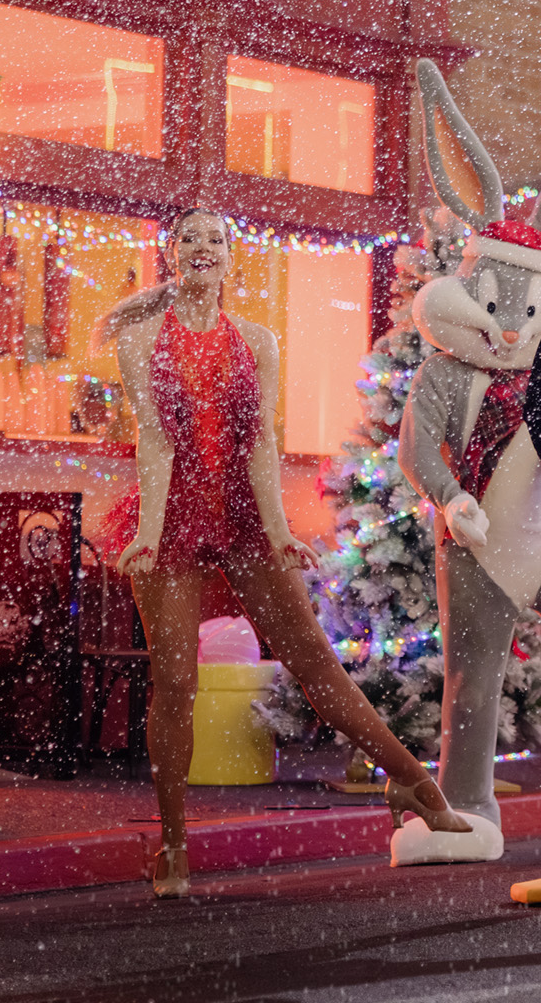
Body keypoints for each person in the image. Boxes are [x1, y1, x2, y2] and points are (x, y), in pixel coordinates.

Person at [102, 208, 469, 898]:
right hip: (174, 516)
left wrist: (276, 529)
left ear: (231, 258)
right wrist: (149, 534)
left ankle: (417, 787)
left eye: (216, 238)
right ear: (170, 252)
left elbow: (261, 442)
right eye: (190, 237)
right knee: (176, 683)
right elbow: (156, 441)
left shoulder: (257, 340)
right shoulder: (141, 340)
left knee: (316, 666)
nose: (202, 247)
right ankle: (174, 845)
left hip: (242, 513)